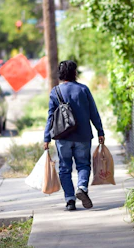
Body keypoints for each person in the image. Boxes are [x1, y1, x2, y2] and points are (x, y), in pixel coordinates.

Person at [44, 60, 105, 211]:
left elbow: (51, 117)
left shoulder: (55, 91)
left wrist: (46, 138)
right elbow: (93, 113)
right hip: (83, 135)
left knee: (65, 168)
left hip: (62, 136)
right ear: (74, 73)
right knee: (83, 164)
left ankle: (70, 200)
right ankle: (82, 187)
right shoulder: (83, 89)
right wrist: (100, 131)